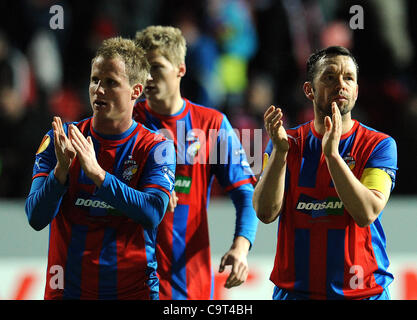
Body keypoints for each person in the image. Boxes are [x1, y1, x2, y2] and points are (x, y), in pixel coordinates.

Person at [25, 37, 176, 300]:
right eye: (95, 80)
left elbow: (152, 212)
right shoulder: (60, 139)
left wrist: (99, 175)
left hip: (134, 293)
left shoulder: (157, 147)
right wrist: (60, 172)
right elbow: (36, 218)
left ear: (136, 91)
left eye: (111, 82)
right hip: (68, 292)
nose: (99, 90)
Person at [253, 46, 398, 300]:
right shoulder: (287, 142)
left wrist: (332, 155)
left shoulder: (379, 145)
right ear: (309, 90)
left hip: (362, 293)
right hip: (295, 293)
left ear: (356, 90)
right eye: (330, 77)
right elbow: (265, 213)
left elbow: (366, 213)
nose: (341, 84)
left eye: (349, 78)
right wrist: (280, 155)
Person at [133, 25, 259, 300]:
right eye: (142, 68)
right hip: (129, 281)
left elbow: (245, 192)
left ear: (180, 68)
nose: (147, 77)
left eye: (156, 67)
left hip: (189, 284)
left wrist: (240, 247)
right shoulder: (125, 122)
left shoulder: (211, 125)